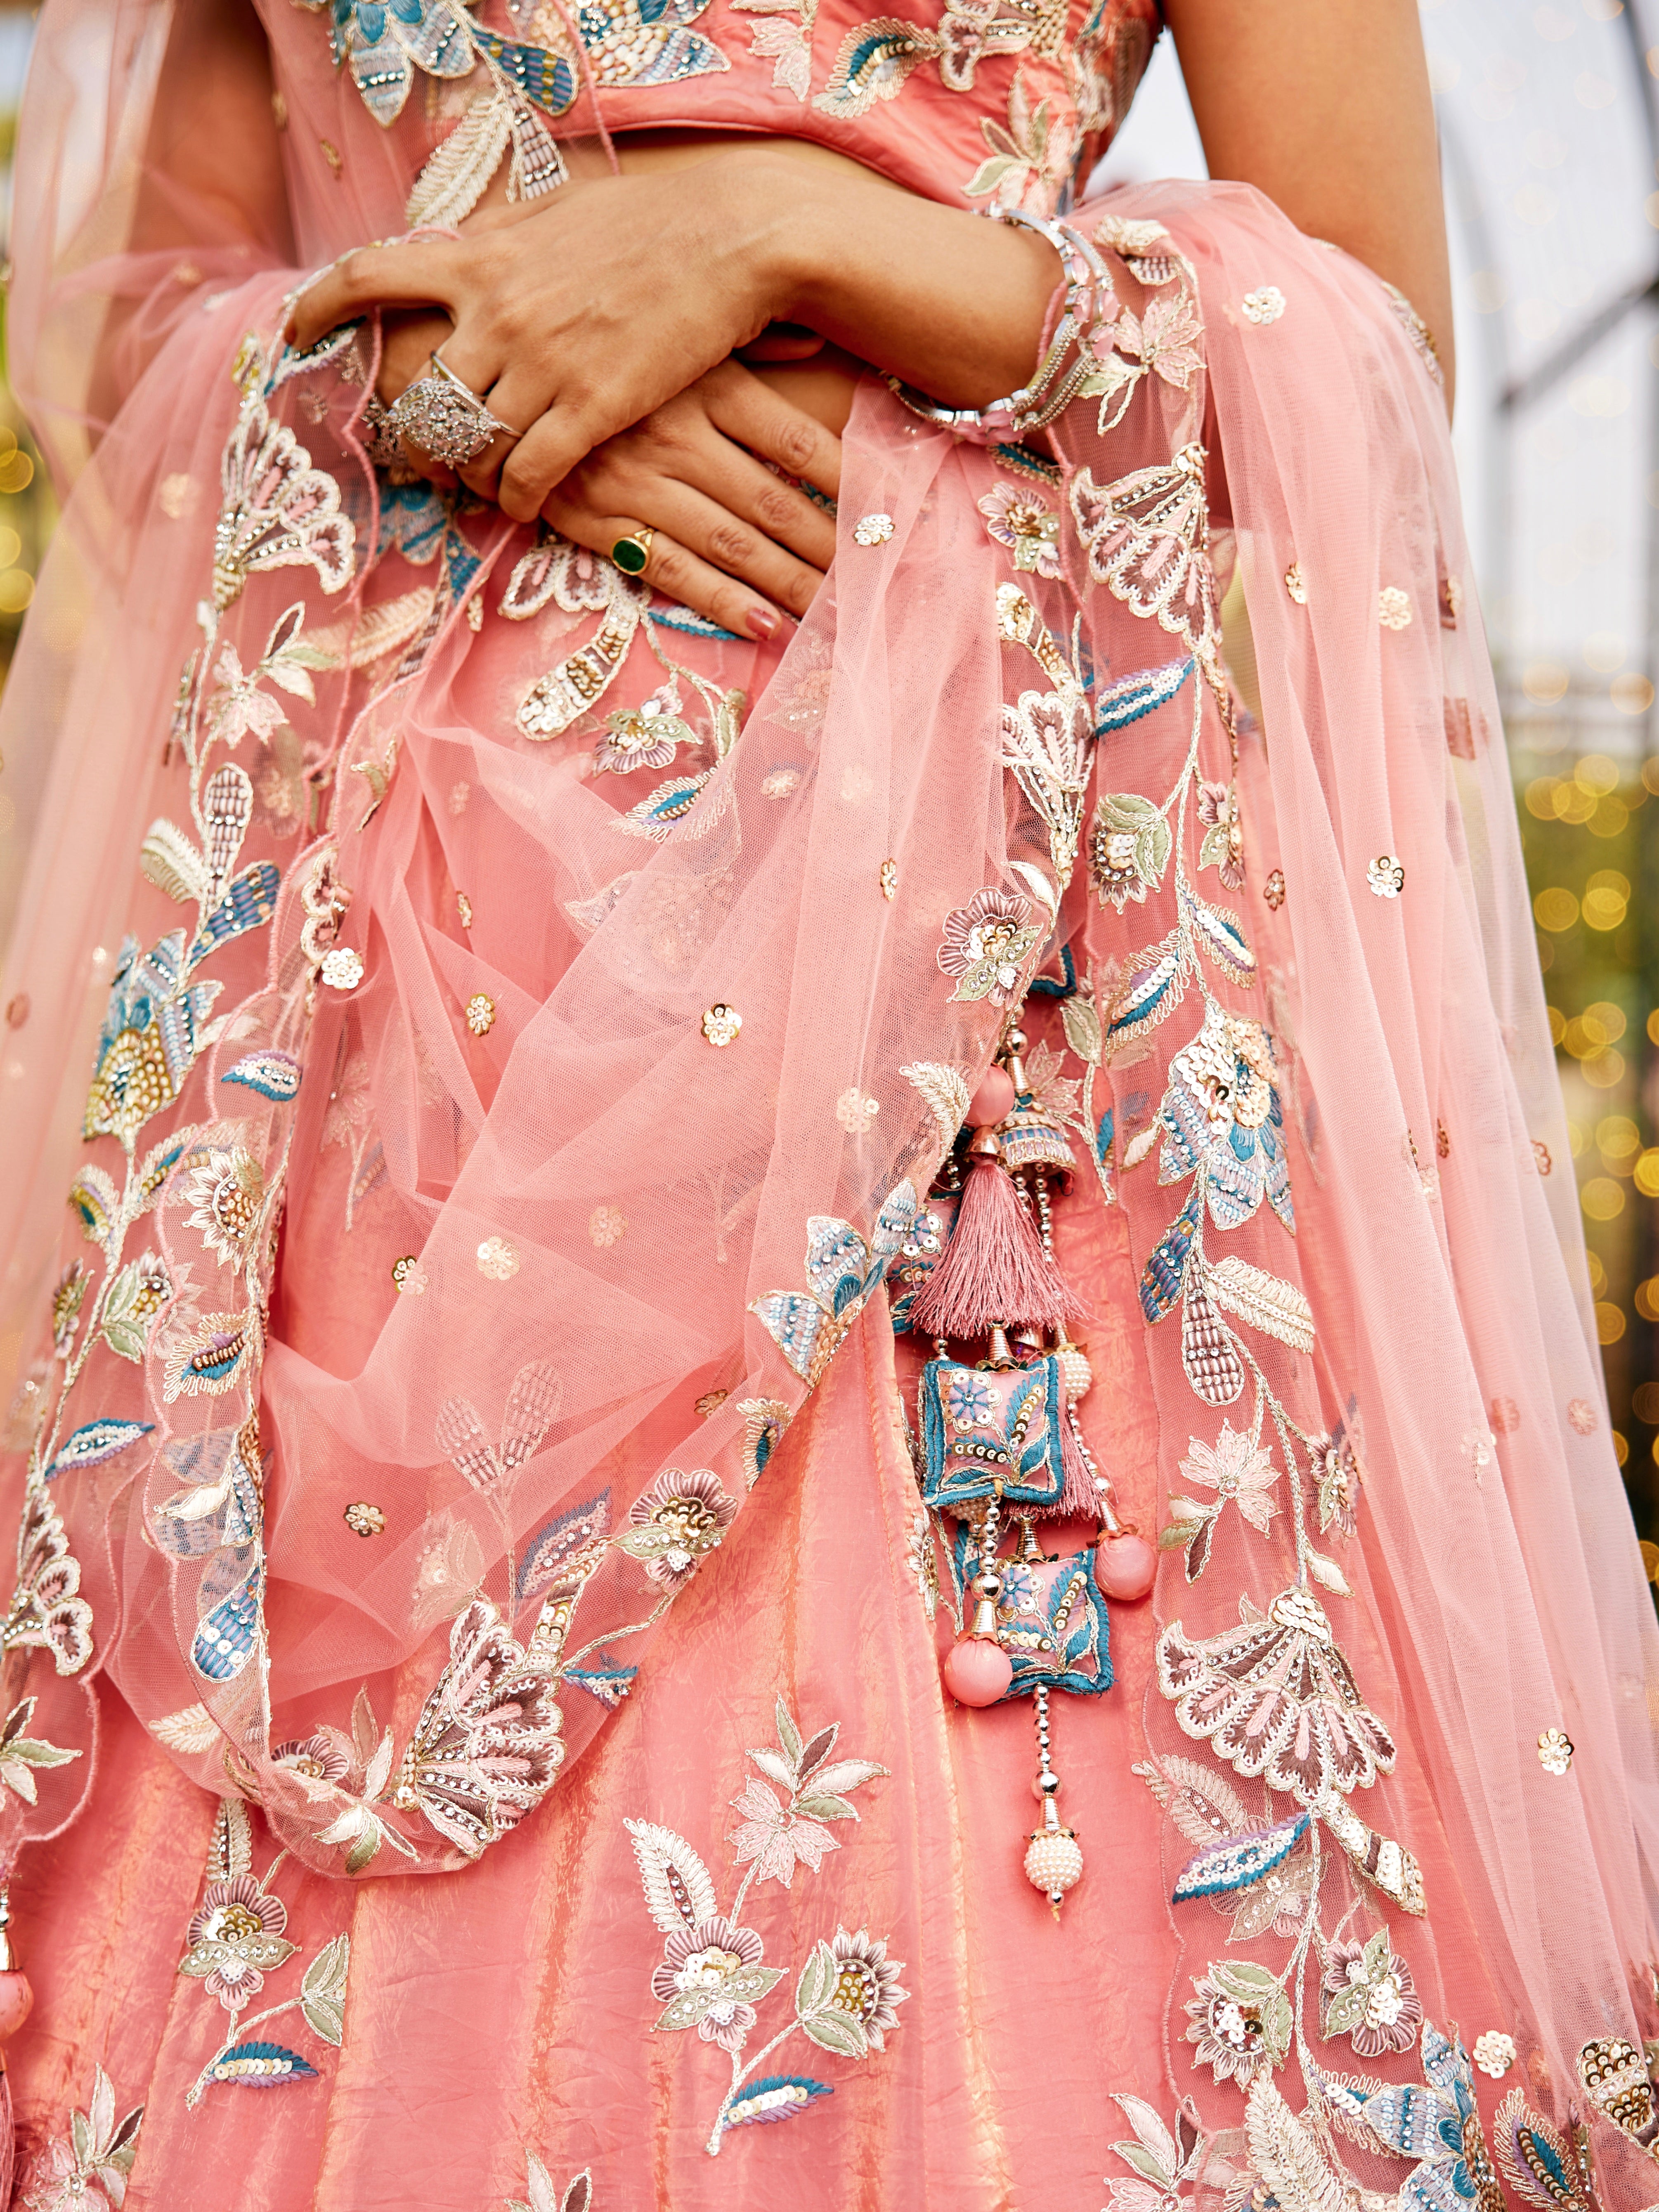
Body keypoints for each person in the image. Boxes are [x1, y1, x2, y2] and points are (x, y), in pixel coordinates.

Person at [0, 0, 1654, 2203]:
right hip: (382, 1015)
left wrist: (800, 236)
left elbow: (1366, 343)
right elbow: (131, 321)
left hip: (991, 974)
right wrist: (424, 380)